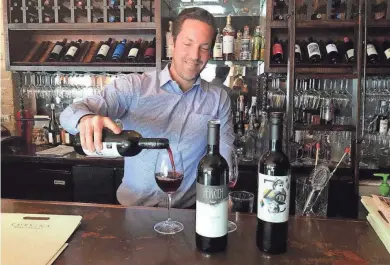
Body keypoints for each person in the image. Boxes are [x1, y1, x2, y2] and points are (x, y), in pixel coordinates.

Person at [60, 7, 234, 209]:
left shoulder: (218, 98)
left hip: (188, 215)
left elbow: (225, 153)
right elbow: (70, 113)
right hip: (133, 212)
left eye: (204, 47)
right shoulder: (133, 86)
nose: (195, 55)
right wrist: (85, 119)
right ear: (172, 42)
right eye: (188, 43)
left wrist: (224, 194)